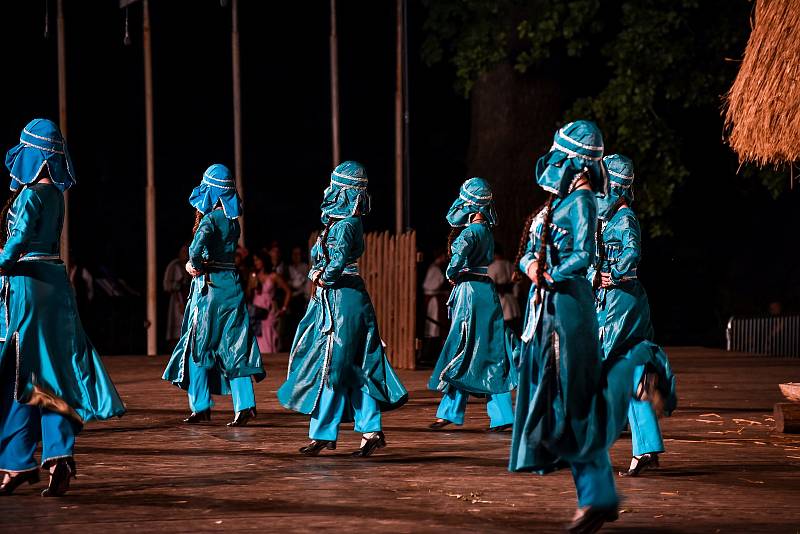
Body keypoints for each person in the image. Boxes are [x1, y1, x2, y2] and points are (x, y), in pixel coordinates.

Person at [508, 121, 647, 533]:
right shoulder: (562, 200)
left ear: (575, 161)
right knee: (560, 406)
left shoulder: (583, 201)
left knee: (571, 405)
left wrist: (545, 273)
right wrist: (531, 265)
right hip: (551, 311)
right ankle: (596, 496)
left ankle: (597, 497)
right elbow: (531, 251)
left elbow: (582, 256)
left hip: (568, 311)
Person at [0, 119, 125, 496]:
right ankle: (57, 456)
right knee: (49, 374)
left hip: (29, 284)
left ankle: (18, 460)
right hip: (55, 283)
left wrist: (2, 260)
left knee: (18, 375)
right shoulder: (55, 194)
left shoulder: (30, 196)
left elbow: (19, 239)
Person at [278, 161, 408, 457]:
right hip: (340, 299)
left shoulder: (347, 224)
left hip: (343, 300)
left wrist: (320, 276)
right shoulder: (340, 222)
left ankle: (328, 432)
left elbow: (335, 264)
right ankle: (368, 430)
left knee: (335, 367)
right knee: (350, 366)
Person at [589, 154, 677, 477]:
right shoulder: (607, 220)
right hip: (612, 299)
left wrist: (612, 272)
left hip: (620, 303)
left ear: (616, 187)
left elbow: (631, 254)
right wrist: (594, 275)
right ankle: (646, 446)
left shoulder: (624, 218)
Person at [162, 164, 265, 427]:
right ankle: (245, 405)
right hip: (231, 286)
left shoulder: (210, 220)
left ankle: (201, 405)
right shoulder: (232, 222)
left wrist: (192, 264)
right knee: (235, 345)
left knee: (199, 346)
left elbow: (196, 249)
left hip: (209, 289)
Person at [428, 178, 517, 432]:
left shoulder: (469, 233)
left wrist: (452, 272)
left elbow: (457, 259)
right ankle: (501, 415)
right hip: (485, 290)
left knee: (462, 348)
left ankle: (450, 411)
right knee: (491, 350)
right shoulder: (487, 231)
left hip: (469, 291)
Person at [248, 250, 291, 354]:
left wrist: (284, 308)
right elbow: (248, 295)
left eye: (257, 260)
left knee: (268, 336)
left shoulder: (273, 276)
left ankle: (271, 364)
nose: (256, 262)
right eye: (254, 260)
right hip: (256, 311)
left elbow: (288, 291)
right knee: (257, 337)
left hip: (269, 310)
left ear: (263, 261)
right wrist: (251, 286)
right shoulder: (253, 276)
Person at [488, 243, 522, 335]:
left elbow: (490, 286)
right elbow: (516, 284)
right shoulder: (511, 266)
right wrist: (515, 296)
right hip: (512, 301)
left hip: (501, 301)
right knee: (513, 328)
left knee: (503, 329)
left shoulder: (492, 267)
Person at [163, 244, 190, 346]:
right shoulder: (174, 265)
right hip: (177, 299)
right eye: (183, 252)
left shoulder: (190, 264)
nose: (185, 254)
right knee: (176, 329)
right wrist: (178, 284)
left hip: (188, 297)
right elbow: (167, 285)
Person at [422, 249, 448, 340]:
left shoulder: (436, 268)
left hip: (434, 297)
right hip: (432, 300)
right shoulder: (435, 269)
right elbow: (429, 287)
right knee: (432, 326)